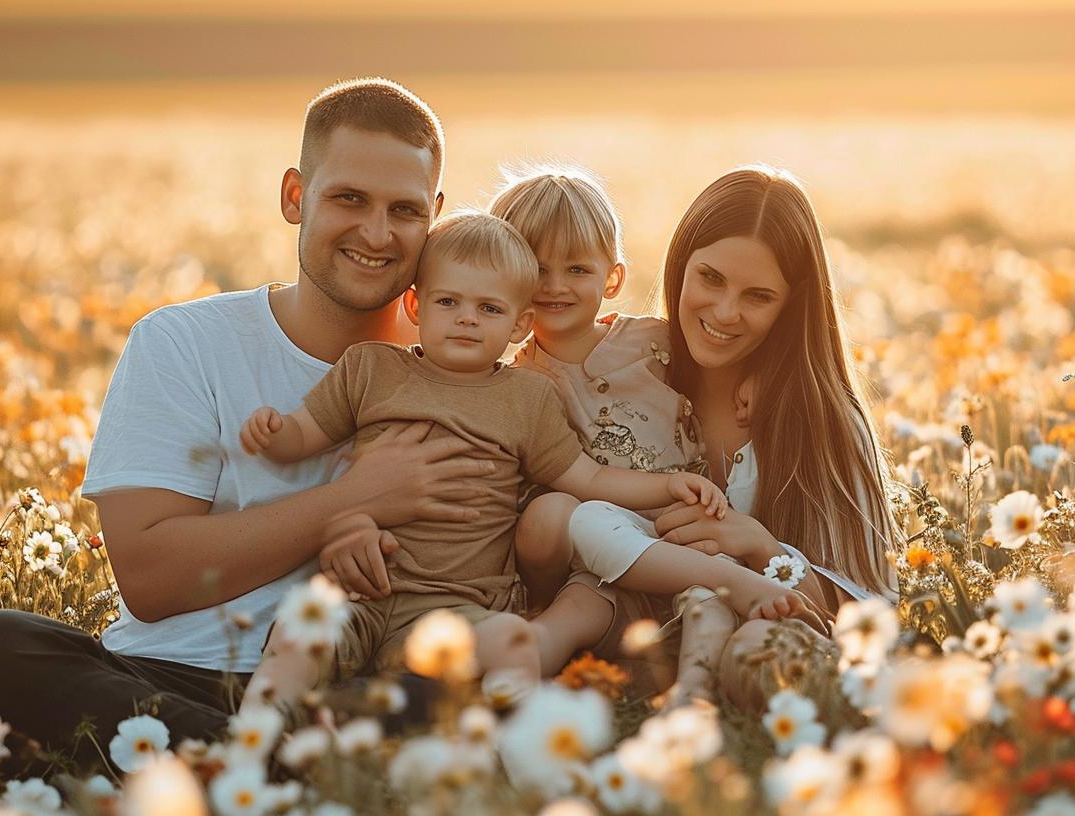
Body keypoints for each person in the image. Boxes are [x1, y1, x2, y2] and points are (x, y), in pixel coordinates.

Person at [0, 78, 486, 761]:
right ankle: (277, 768)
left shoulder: (466, 364)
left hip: (351, 685)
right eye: (349, 198)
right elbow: (151, 579)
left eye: (404, 210)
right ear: (295, 196)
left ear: (433, 216)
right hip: (162, 681)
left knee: (458, 686)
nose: (376, 234)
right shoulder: (184, 342)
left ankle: (247, 769)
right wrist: (353, 499)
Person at [238, 210, 749, 707]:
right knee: (301, 627)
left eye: (489, 309)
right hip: (358, 592)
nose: (466, 318)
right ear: (415, 307)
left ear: (519, 324)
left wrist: (667, 486)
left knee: (514, 640)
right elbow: (309, 432)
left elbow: (587, 476)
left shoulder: (526, 397)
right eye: (448, 302)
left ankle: (507, 744)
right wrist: (277, 433)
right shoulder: (371, 369)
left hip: (458, 610)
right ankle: (261, 731)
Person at [527, 165, 902, 708]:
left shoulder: (819, 418)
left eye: (758, 296)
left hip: (753, 627)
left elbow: (872, 606)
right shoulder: (635, 369)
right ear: (680, 267)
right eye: (710, 279)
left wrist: (759, 545)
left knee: (756, 650)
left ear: (791, 306)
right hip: (618, 625)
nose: (725, 313)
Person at [487, 165, 823, 699]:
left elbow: (720, 354)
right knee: (577, 544)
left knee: (705, 601)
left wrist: (761, 378)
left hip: (690, 535)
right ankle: (511, 680)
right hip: (603, 562)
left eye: (575, 268)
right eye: (535, 268)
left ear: (613, 279)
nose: (552, 286)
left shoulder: (652, 343)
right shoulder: (512, 383)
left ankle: (689, 700)